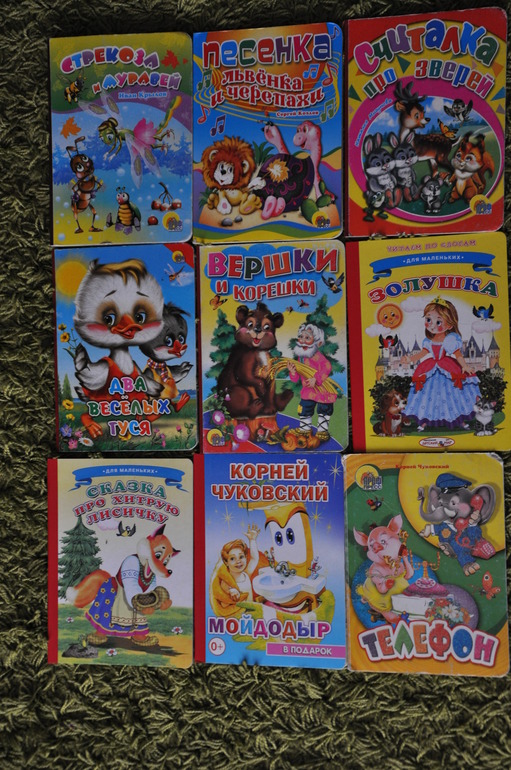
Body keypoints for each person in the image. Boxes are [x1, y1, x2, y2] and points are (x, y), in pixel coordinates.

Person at [402, 297, 480, 430]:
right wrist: (410, 359)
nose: (432, 325)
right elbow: (422, 354)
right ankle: (425, 421)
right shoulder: (428, 341)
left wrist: (464, 366)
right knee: (429, 396)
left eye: (438, 322)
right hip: (430, 368)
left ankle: (458, 420)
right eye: (428, 319)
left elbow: (458, 355)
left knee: (451, 395)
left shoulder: (450, 340)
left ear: (449, 325)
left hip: (447, 368)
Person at [287, 323, 337, 442]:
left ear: (317, 342)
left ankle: (322, 431)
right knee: (305, 408)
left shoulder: (316, 356)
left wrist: (316, 379)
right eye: (301, 337)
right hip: (308, 390)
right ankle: (305, 430)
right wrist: (293, 372)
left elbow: (327, 366)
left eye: (307, 338)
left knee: (324, 409)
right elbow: (295, 379)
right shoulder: (301, 357)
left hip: (322, 390)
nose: (303, 340)